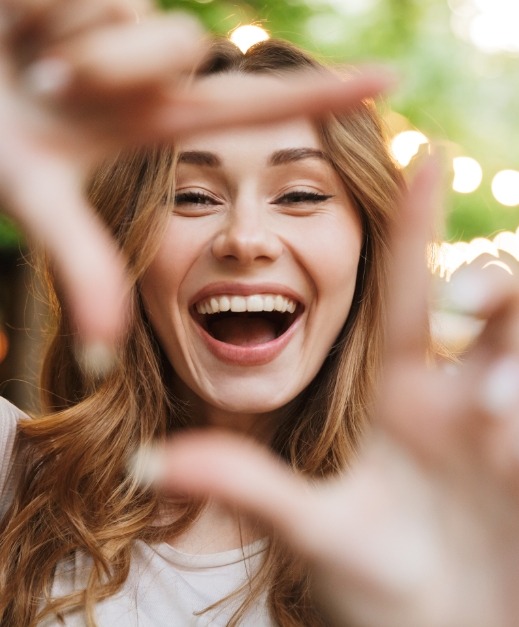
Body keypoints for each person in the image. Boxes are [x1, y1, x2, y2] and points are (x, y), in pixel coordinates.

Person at [3, 3, 519, 627]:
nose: (245, 239)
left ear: (368, 248)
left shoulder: (468, 521)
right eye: (191, 197)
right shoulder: (15, 481)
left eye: (300, 194)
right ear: (127, 244)